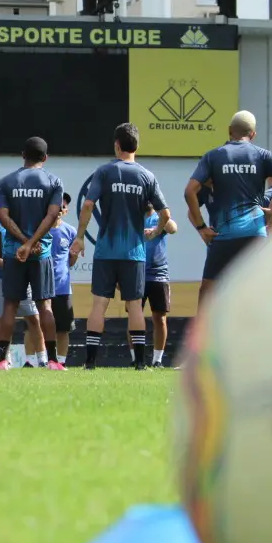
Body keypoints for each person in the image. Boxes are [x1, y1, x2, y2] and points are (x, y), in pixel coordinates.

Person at [71, 122, 170, 371]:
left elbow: (87, 205)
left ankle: (90, 362)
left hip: (106, 251)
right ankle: (140, 363)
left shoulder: (104, 172)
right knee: (135, 305)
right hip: (134, 253)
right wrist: (155, 231)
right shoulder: (147, 176)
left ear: (117, 145)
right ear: (137, 146)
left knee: (99, 305)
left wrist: (80, 236)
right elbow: (165, 214)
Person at [184, 110, 272, 309]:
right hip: (254, 235)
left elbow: (189, 193)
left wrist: (201, 227)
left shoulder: (213, 156)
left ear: (229, 131)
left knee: (208, 293)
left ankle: (204, 338)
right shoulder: (262, 155)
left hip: (223, 237)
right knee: (259, 291)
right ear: (253, 134)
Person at [0, 136, 64, 371]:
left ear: (23, 155)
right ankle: (53, 361)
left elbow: (2, 215)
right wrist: (32, 242)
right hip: (40, 252)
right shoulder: (53, 181)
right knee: (45, 306)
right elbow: (52, 215)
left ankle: (2, 360)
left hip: (14, 252)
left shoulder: (6, 181)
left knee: (10, 306)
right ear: (45, 158)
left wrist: (23, 242)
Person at [0, 224, 43, 367]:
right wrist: (2, 264)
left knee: (33, 316)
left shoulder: (21, 216)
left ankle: (43, 359)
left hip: (21, 274)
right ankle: (5, 359)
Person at [143, 202, 177, 368]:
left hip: (159, 274)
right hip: (137, 273)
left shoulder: (159, 217)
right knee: (134, 316)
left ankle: (157, 360)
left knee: (160, 318)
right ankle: (136, 358)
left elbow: (173, 228)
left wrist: (160, 214)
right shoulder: (133, 218)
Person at [48, 193, 77, 366]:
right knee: (39, 326)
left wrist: (74, 255)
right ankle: (41, 360)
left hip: (63, 288)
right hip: (41, 287)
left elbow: (71, 261)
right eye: (58, 206)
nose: (60, 209)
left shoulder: (71, 231)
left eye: (63, 207)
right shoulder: (40, 229)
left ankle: (61, 362)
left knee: (63, 329)